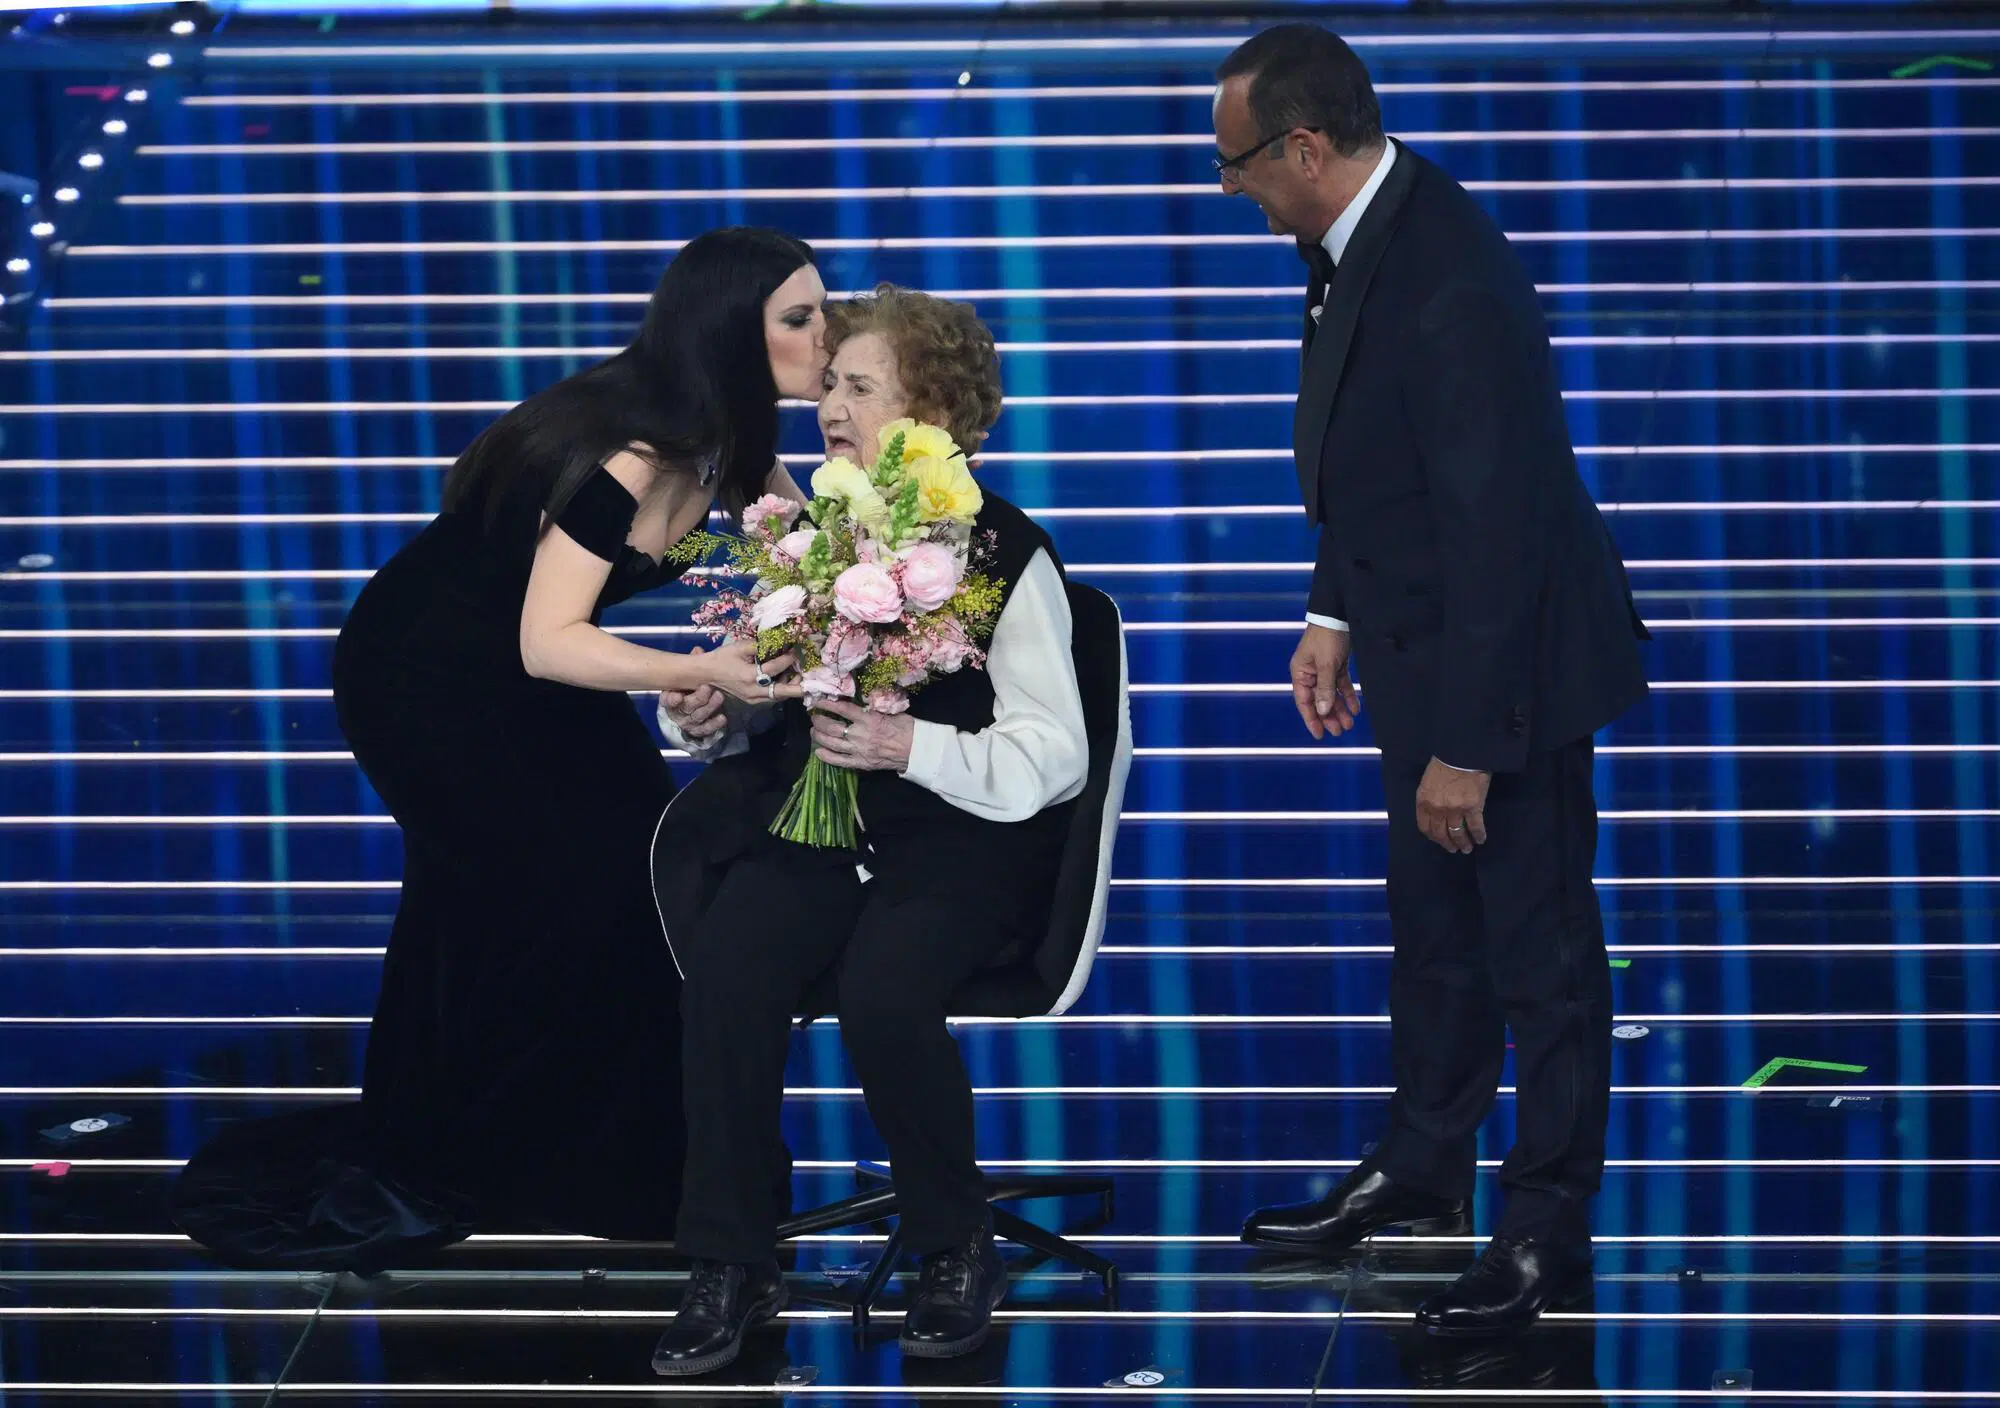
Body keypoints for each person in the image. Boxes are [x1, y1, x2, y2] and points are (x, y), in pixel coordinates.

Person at [167, 227, 821, 1270]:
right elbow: (547, 637)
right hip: (430, 679)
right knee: (510, 889)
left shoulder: (731, 448)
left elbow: (806, 567)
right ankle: (462, 1145)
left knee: (633, 874)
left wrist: (736, 673)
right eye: (799, 318)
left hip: (533, 674)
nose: (823, 336)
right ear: (732, 334)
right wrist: (698, 674)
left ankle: (599, 1154)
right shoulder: (635, 454)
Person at [1213, 27, 1649, 1334]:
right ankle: (1421, 1168)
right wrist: (1333, 610)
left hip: (1500, 672)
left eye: (1238, 164)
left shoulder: (1447, 273)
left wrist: (1473, 744)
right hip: (1413, 651)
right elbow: (1369, 451)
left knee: (1540, 955)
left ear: (1303, 147)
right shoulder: (1355, 242)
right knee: (1437, 942)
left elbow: (1495, 527)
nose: (1232, 189)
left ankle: (1545, 1226)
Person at [647, 285, 1088, 1375]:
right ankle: (732, 1262)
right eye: (829, 385)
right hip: (819, 825)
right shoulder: (815, 536)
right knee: (732, 974)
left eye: (855, 386)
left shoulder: (1001, 552)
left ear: (928, 406)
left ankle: (954, 1244)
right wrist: (712, 711)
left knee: (889, 991)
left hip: (955, 840)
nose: (827, 406)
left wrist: (909, 750)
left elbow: (1056, 754)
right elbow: (767, 695)